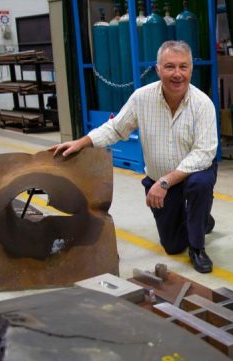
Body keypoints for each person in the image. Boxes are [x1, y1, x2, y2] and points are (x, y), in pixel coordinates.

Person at [51, 40, 218, 274]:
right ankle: (201, 219)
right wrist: (82, 142)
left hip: (188, 176)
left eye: (183, 66)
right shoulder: (142, 98)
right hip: (160, 179)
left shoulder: (203, 104)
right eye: (170, 67)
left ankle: (198, 247)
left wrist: (165, 182)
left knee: (200, 184)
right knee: (172, 246)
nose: (177, 74)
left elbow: (204, 153)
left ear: (191, 68)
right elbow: (116, 128)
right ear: (158, 69)